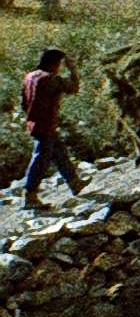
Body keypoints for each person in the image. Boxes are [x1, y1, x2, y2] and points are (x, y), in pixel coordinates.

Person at [20, 47, 81, 213]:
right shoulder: (51, 78)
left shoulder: (29, 76)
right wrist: (73, 70)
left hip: (36, 123)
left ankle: (75, 183)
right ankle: (29, 195)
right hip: (45, 125)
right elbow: (74, 88)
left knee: (60, 153)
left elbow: (24, 103)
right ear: (55, 63)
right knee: (41, 159)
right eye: (60, 64)